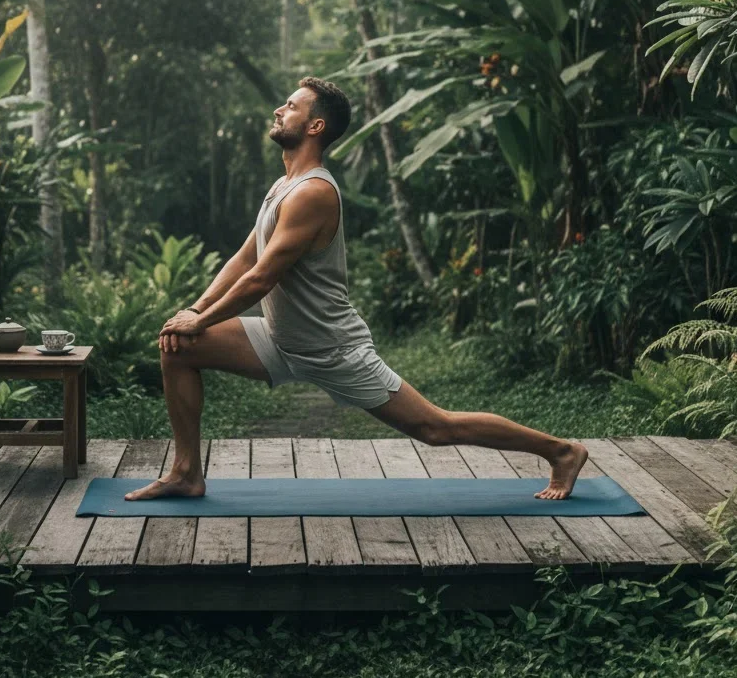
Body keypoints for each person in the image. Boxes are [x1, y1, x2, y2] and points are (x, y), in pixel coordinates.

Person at [124, 76, 588, 501]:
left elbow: (263, 277)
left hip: (332, 348)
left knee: (434, 427)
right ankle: (187, 473)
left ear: (315, 125)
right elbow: (244, 259)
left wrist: (201, 319)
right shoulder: (282, 186)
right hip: (281, 338)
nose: (278, 111)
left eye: (290, 106)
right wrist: (193, 313)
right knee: (178, 349)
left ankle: (561, 452)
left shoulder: (312, 192)